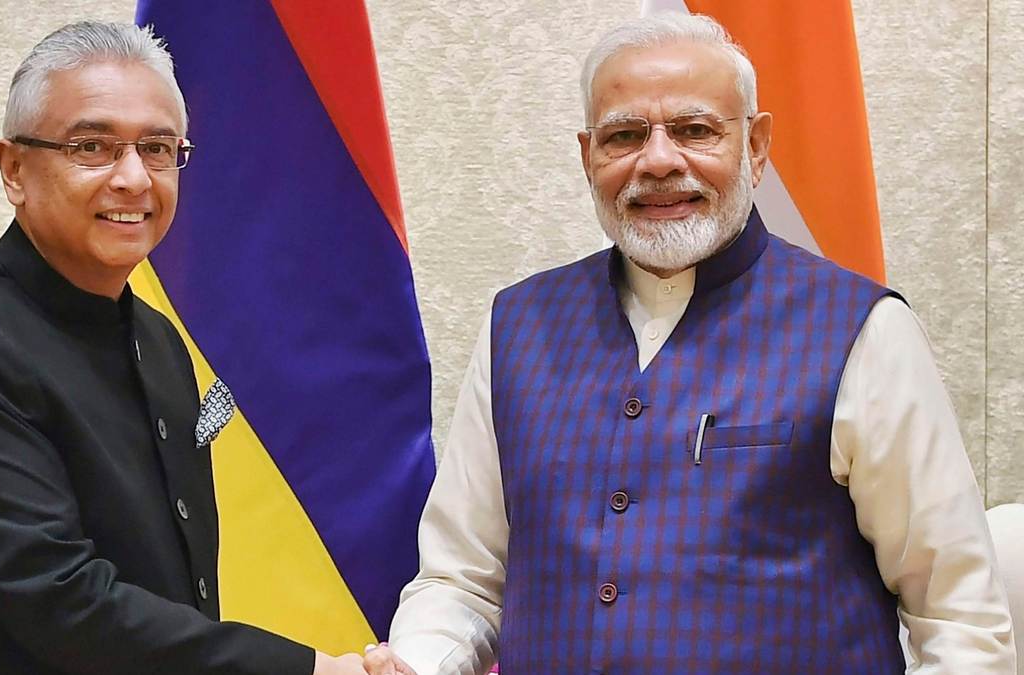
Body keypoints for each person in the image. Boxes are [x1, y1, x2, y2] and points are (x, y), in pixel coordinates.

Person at [364, 12, 1015, 675]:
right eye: (624, 136)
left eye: (695, 129)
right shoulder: (516, 327)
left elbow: (957, 619)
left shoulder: (862, 330)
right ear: (588, 155)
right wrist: (418, 661)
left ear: (756, 146)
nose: (659, 160)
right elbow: (462, 580)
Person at [0, 21, 363, 675]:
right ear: (14, 168)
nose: (134, 178)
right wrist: (309, 669)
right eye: (94, 146)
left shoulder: (158, 341)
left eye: (158, 148)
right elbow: (65, 603)